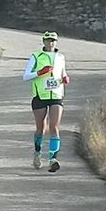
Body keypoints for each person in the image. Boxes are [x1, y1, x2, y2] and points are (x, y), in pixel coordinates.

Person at [22, 31, 70, 172]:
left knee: (54, 127)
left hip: (56, 95)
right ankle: (37, 154)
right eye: (48, 40)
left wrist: (65, 78)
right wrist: (40, 72)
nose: (51, 43)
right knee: (41, 129)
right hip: (40, 96)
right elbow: (25, 76)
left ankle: (53, 159)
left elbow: (63, 73)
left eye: (53, 40)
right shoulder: (36, 56)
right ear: (43, 42)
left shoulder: (60, 57)